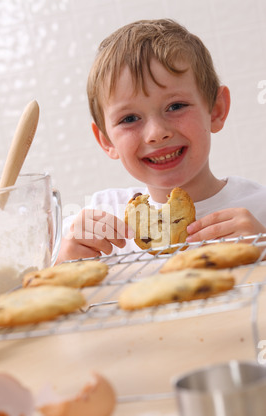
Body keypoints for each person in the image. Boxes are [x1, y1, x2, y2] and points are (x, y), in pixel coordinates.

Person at [57, 18, 266, 262]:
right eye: (130, 118)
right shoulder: (97, 221)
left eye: (175, 106)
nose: (156, 133)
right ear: (107, 141)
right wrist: (63, 261)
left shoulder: (258, 210)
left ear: (216, 110)